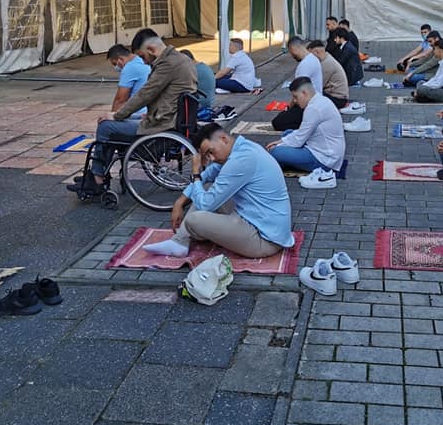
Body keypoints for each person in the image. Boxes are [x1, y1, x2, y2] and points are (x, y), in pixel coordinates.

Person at [69, 29, 198, 196]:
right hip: (170, 119)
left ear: (151, 49)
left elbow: (144, 95)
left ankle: (97, 180)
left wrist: (117, 115)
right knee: (116, 125)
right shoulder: (182, 59)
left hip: (161, 125)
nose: (143, 62)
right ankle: (97, 174)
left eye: (142, 56)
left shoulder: (167, 64)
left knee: (106, 126)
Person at [141, 124, 295, 259]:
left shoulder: (241, 160)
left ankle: (183, 240)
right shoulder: (240, 148)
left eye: (211, 152)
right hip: (255, 219)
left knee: (194, 219)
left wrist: (195, 173)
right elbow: (207, 175)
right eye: (207, 155)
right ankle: (179, 242)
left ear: (223, 139)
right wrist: (179, 202)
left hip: (265, 240)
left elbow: (205, 204)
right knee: (206, 188)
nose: (212, 158)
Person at [267, 77, 346, 178]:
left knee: (276, 152)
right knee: (288, 133)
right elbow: (301, 132)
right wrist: (281, 141)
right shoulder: (320, 99)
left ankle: (283, 160)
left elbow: (298, 140)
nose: (295, 101)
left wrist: (278, 145)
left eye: (296, 97)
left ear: (304, 93)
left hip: (324, 159)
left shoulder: (313, 108)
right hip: (328, 151)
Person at [272, 37, 324, 131]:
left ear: (294, 49)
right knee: (284, 116)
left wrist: (289, 107)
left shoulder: (305, 65)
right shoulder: (313, 59)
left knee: (277, 122)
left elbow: (298, 92)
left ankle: (309, 124)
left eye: (291, 53)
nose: (292, 56)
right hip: (314, 102)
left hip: (307, 106)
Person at [106, 43, 151, 117]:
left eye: (115, 64)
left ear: (121, 59)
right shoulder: (142, 60)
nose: (115, 67)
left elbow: (120, 100)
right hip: (149, 110)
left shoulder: (129, 68)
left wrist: (112, 117)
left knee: (105, 122)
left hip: (138, 113)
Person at [412, 38, 443, 103]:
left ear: (439, 50)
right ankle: (421, 96)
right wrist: (424, 85)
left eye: (434, 49)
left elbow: (437, 84)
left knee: (422, 89)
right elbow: (436, 79)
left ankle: (421, 96)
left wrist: (422, 87)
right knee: (420, 83)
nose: (433, 51)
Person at [308, 39, 350, 109]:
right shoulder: (327, 58)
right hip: (338, 96)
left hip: (338, 99)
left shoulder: (326, 64)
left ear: (316, 53)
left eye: (310, 55)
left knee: (309, 95)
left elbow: (318, 86)